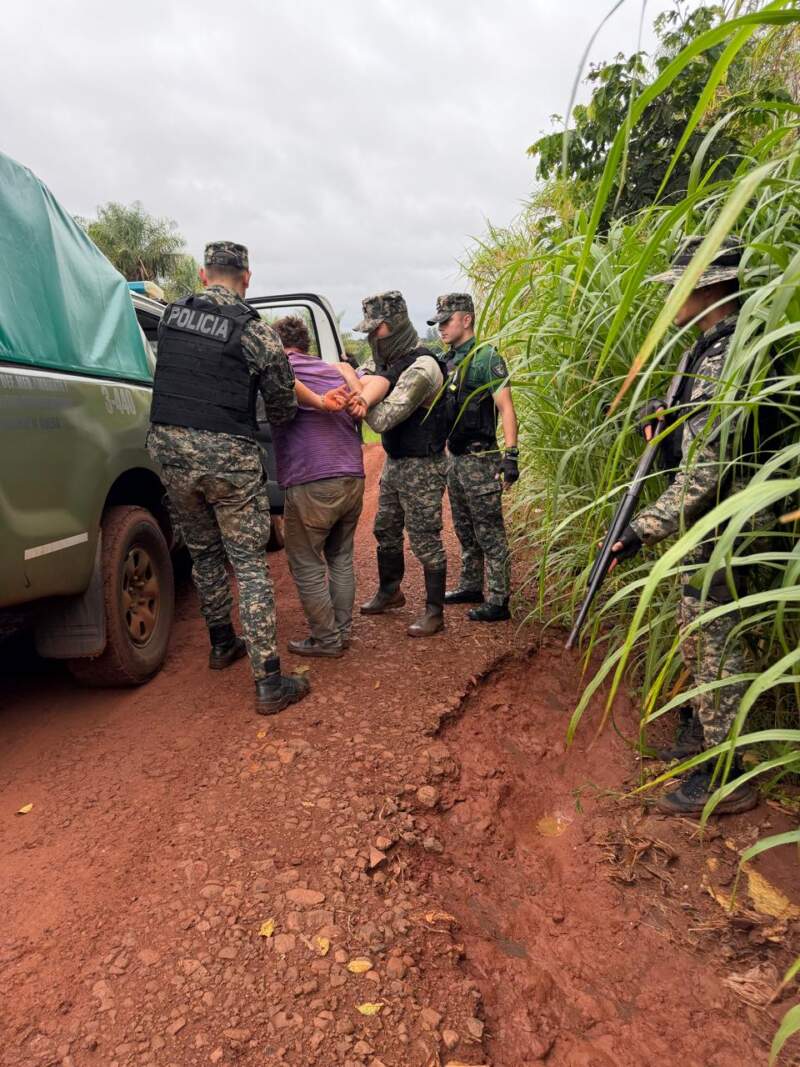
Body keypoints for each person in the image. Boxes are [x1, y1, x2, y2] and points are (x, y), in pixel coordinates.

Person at [609, 235, 762, 815]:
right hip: (706, 522)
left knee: (714, 639)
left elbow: (706, 473)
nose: (673, 297)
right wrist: (663, 417)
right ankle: (700, 735)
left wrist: (641, 528)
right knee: (697, 631)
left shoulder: (729, 353)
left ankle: (728, 777)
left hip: (721, 522)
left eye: (681, 286)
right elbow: (686, 418)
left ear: (710, 286)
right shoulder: (706, 343)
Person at [148, 241, 325, 715]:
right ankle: (269, 682)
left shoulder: (169, 317)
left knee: (203, 554)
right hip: (227, 456)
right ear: (247, 277)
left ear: (204, 275)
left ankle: (222, 643)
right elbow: (284, 405)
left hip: (169, 452)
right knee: (247, 562)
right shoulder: (255, 332)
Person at [353, 291, 451, 637]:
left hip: (423, 465)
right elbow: (356, 373)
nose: (370, 338)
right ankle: (390, 591)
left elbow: (381, 420)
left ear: (393, 326)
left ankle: (434, 612)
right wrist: (361, 382)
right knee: (385, 528)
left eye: (375, 330)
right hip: (396, 463)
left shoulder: (422, 367)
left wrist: (361, 394)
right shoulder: (384, 362)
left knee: (425, 538)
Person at [270, 315, 366, 658]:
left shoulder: (279, 371)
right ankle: (340, 632)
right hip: (352, 476)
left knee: (307, 562)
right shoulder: (334, 370)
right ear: (306, 344)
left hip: (312, 479)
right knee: (340, 557)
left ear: (275, 345)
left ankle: (326, 640)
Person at [428, 293, 519, 622]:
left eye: (446, 321)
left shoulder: (486, 358)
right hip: (455, 458)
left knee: (489, 531)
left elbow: (506, 407)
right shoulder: (446, 360)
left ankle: (499, 599)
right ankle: (470, 585)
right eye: (438, 323)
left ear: (466, 319)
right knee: (464, 528)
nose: (441, 328)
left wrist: (511, 455)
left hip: (481, 458)